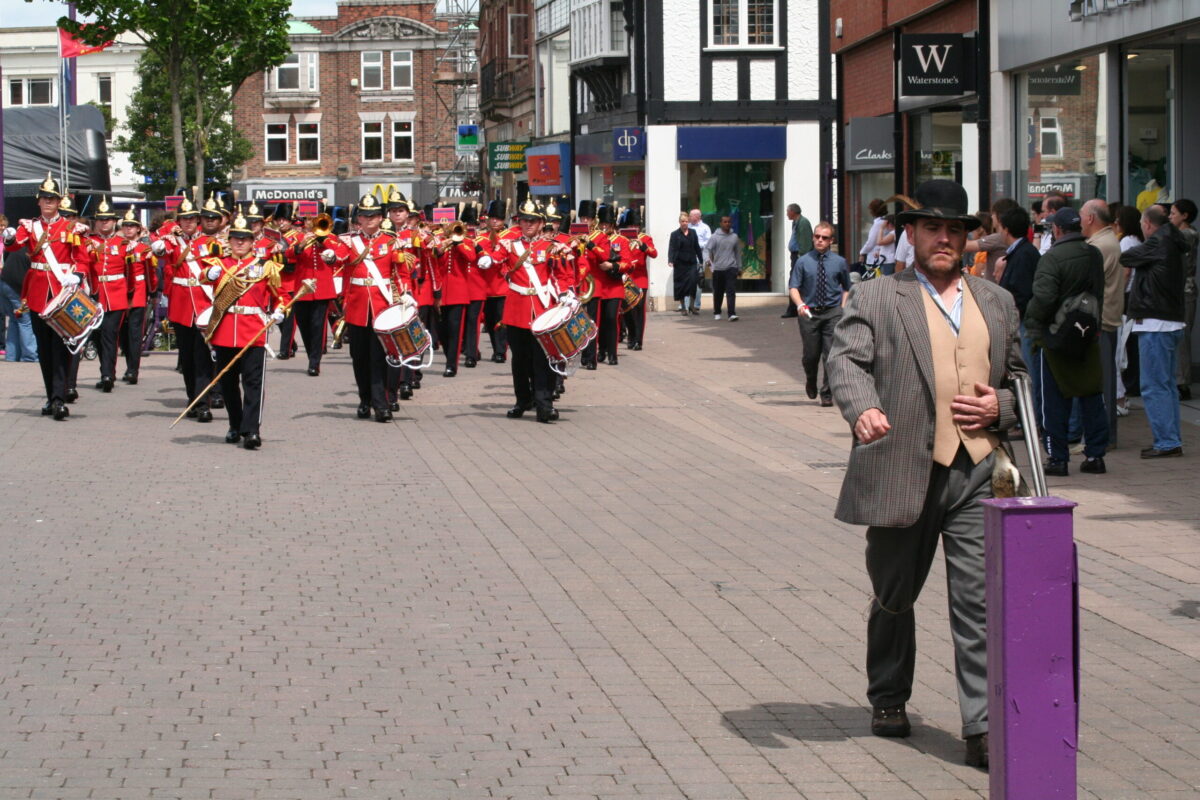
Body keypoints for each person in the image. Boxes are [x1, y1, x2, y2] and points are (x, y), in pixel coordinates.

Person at [826, 179, 1026, 770]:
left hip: (979, 471)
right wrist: (862, 407)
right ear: (909, 235)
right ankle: (888, 696)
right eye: (933, 229)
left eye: (956, 230)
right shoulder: (877, 296)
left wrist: (1001, 408)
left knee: (977, 601)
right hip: (901, 468)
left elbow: (1020, 380)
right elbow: (847, 361)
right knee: (894, 595)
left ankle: (982, 727)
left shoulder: (997, 301)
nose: (945, 239)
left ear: (967, 237)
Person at [1024, 207, 1109, 476]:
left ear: (1058, 230)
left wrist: (1033, 326)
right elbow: (1098, 292)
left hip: (1054, 337)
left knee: (1053, 401)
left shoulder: (1052, 258)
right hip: (1086, 332)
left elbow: (1044, 299)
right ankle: (1095, 456)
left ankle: (1058, 459)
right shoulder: (1093, 253)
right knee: (1091, 394)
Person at [3, 173, 88, 419]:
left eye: (52, 199)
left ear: (59, 201)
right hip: (39, 294)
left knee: (60, 348)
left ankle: (60, 399)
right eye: (44, 199)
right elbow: (14, 246)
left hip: (61, 293)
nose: (48, 202)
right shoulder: (29, 226)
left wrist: (78, 275)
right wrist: (8, 236)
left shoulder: (71, 227)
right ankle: (52, 397)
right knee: (44, 350)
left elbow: (81, 258)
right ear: (38, 201)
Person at [199, 214, 288, 449]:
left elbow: (281, 296)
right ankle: (234, 425)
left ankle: (252, 430)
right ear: (229, 240)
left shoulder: (266, 267)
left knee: (253, 383)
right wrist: (209, 275)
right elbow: (202, 278)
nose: (240, 243)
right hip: (225, 331)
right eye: (235, 239)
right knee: (228, 384)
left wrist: (279, 311)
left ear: (252, 242)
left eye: (245, 239)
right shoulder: (219, 265)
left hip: (253, 332)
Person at [1120, 205, 1188, 457]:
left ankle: (1167, 441)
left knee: (1154, 386)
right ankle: (1170, 438)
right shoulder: (1173, 240)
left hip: (1155, 322)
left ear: (1148, 224)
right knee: (1166, 385)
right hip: (1169, 322)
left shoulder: (1158, 242)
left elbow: (1126, 257)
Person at [339, 193, 414, 422]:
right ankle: (364, 400)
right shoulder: (348, 241)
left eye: (372, 216)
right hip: (356, 307)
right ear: (358, 218)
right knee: (359, 358)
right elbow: (340, 264)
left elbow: (401, 273)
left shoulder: (391, 242)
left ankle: (381, 404)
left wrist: (406, 294)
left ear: (381, 218)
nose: (368, 219)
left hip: (382, 308)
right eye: (364, 215)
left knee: (380, 358)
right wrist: (331, 255)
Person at [498, 199, 572, 423]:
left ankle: (544, 405)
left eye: (533, 221)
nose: (528, 224)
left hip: (542, 308)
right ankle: (523, 400)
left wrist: (566, 293)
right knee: (519, 360)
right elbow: (496, 261)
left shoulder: (552, 247)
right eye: (524, 220)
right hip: (516, 308)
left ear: (541, 224)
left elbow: (563, 273)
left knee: (543, 358)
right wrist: (484, 258)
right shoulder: (510, 245)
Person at [152, 194, 223, 423]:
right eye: (184, 219)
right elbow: (158, 251)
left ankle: (203, 404)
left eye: (192, 219)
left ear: (198, 220)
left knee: (203, 357)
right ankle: (193, 399)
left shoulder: (210, 242)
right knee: (187, 358)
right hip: (181, 305)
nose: (188, 223)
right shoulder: (173, 241)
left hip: (203, 303)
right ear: (179, 221)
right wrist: (164, 238)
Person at [788, 221, 850, 406]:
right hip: (809, 314)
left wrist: (843, 307)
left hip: (832, 313)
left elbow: (846, 287)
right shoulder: (803, 261)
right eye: (817, 236)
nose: (819, 240)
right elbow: (793, 287)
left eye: (824, 237)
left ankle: (827, 393)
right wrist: (800, 305)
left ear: (831, 240)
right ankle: (810, 380)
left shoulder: (839, 262)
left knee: (831, 355)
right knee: (811, 355)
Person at [1082, 199, 1125, 442]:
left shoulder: (1101, 245)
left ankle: (1103, 436)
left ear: (1090, 218)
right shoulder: (1103, 242)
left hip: (1101, 320)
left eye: (1081, 215)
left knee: (1102, 382)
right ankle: (1101, 434)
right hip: (1102, 317)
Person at [80, 198, 131, 393]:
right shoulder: (88, 242)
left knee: (110, 334)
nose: (104, 223)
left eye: (108, 220)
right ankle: (105, 370)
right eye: (101, 220)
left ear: (114, 221)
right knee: (97, 335)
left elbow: (131, 271)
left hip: (116, 294)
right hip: (94, 293)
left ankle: (108, 374)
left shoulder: (123, 243)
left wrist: (130, 295)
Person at [995, 205, 1040, 397]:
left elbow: (1021, 292)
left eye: (998, 228)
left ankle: (1032, 418)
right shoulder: (1021, 251)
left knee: (1027, 372)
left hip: (1024, 323)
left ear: (1006, 229)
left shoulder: (1023, 254)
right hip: (1022, 321)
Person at [118, 209, 154, 384]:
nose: (129, 229)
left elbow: (150, 272)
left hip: (138, 292)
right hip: (120, 291)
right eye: (126, 225)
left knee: (134, 332)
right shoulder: (118, 246)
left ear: (139, 229)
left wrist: (152, 290)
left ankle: (133, 369)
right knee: (123, 333)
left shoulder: (144, 248)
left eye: (132, 226)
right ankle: (128, 365)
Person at [1168, 199, 1197, 399]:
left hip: (1184, 290)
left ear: (1185, 216)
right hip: (1177, 290)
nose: (1170, 217)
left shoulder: (1187, 235)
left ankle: (1182, 382)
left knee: (1182, 337)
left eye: (1174, 213)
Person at [620, 208, 655, 349]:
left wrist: (643, 246)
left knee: (639, 309)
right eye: (631, 226)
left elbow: (654, 253)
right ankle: (632, 335)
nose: (633, 228)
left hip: (640, 278)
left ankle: (638, 340)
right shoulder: (622, 239)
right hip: (626, 278)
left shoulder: (645, 238)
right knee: (627, 310)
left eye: (635, 226)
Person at [1, 247, 37, 363]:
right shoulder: (33, 250)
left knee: (14, 319)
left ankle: (12, 355)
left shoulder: (19, 245)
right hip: (16, 286)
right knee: (25, 321)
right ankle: (29, 355)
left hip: (4, 283)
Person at [705, 215, 742, 321]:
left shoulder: (734, 237)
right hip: (718, 269)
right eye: (725, 222)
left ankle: (731, 314)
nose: (727, 224)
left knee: (731, 291)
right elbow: (707, 250)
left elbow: (737, 253)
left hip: (731, 268)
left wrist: (739, 267)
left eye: (729, 222)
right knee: (718, 292)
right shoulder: (714, 237)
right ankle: (717, 312)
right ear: (721, 223)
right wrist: (708, 260)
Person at [782, 203, 813, 317]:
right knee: (795, 281)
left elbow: (805, 242)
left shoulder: (803, 222)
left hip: (799, 256)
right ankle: (793, 308)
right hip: (795, 255)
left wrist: (801, 257)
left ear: (793, 212)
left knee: (795, 282)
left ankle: (793, 309)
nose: (786, 214)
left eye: (787, 211)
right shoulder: (796, 222)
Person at [668, 214, 702, 316]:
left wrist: (701, 260)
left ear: (689, 222)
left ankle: (692, 306)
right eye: (683, 221)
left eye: (686, 221)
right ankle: (683, 307)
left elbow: (697, 247)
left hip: (691, 262)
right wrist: (670, 260)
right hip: (679, 263)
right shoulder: (675, 234)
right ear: (680, 222)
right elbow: (671, 248)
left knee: (693, 283)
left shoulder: (693, 232)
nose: (684, 223)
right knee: (681, 286)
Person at [688, 209, 711, 313]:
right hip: (687, 258)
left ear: (697, 217)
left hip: (699, 257)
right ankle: (686, 304)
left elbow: (709, 243)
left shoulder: (705, 228)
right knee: (687, 281)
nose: (689, 217)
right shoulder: (687, 226)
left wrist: (697, 245)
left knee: (698, 282)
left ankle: (696, 304)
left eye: (691, 216)